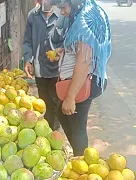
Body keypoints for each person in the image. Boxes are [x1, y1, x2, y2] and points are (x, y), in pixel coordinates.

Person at [50, 0, 111, 155]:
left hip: (83, 82)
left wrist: (71, 97)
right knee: (62, 113)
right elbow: (82, 49)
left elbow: (84, 61)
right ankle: (80, 155)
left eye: (63, 7)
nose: (62, 12)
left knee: (77, 126)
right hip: (87, 78)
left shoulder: (85, 21)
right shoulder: (89, 11)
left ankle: (82, 165)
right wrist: (65, 51)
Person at [23, 0, 62, 130]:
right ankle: (46, 128)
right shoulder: (32, 16)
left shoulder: (62, 15)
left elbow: (68, 40)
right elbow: (27, 41)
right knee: (43, 100)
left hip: (58, 69)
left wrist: (60, 53)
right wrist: (28, 59)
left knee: (56, 100)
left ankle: (54, 130)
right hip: (40, 68)